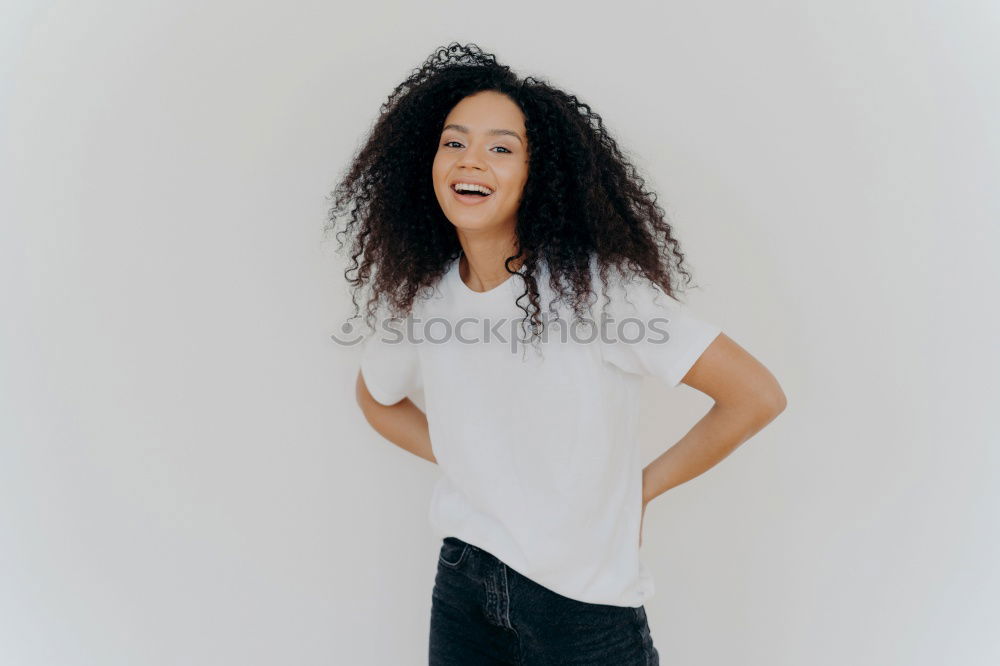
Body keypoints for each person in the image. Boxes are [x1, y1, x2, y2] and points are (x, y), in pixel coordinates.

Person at [329, 42, 787, 665]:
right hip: (465, 584)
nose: (471, 161)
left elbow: (754, 396)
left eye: (501, 148)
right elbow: (376, 398)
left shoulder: (600, 292)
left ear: (536, 174)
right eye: (453, 142)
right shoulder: (424, 298)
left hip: (581, 608)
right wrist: (470, 458)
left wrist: (641, 491)